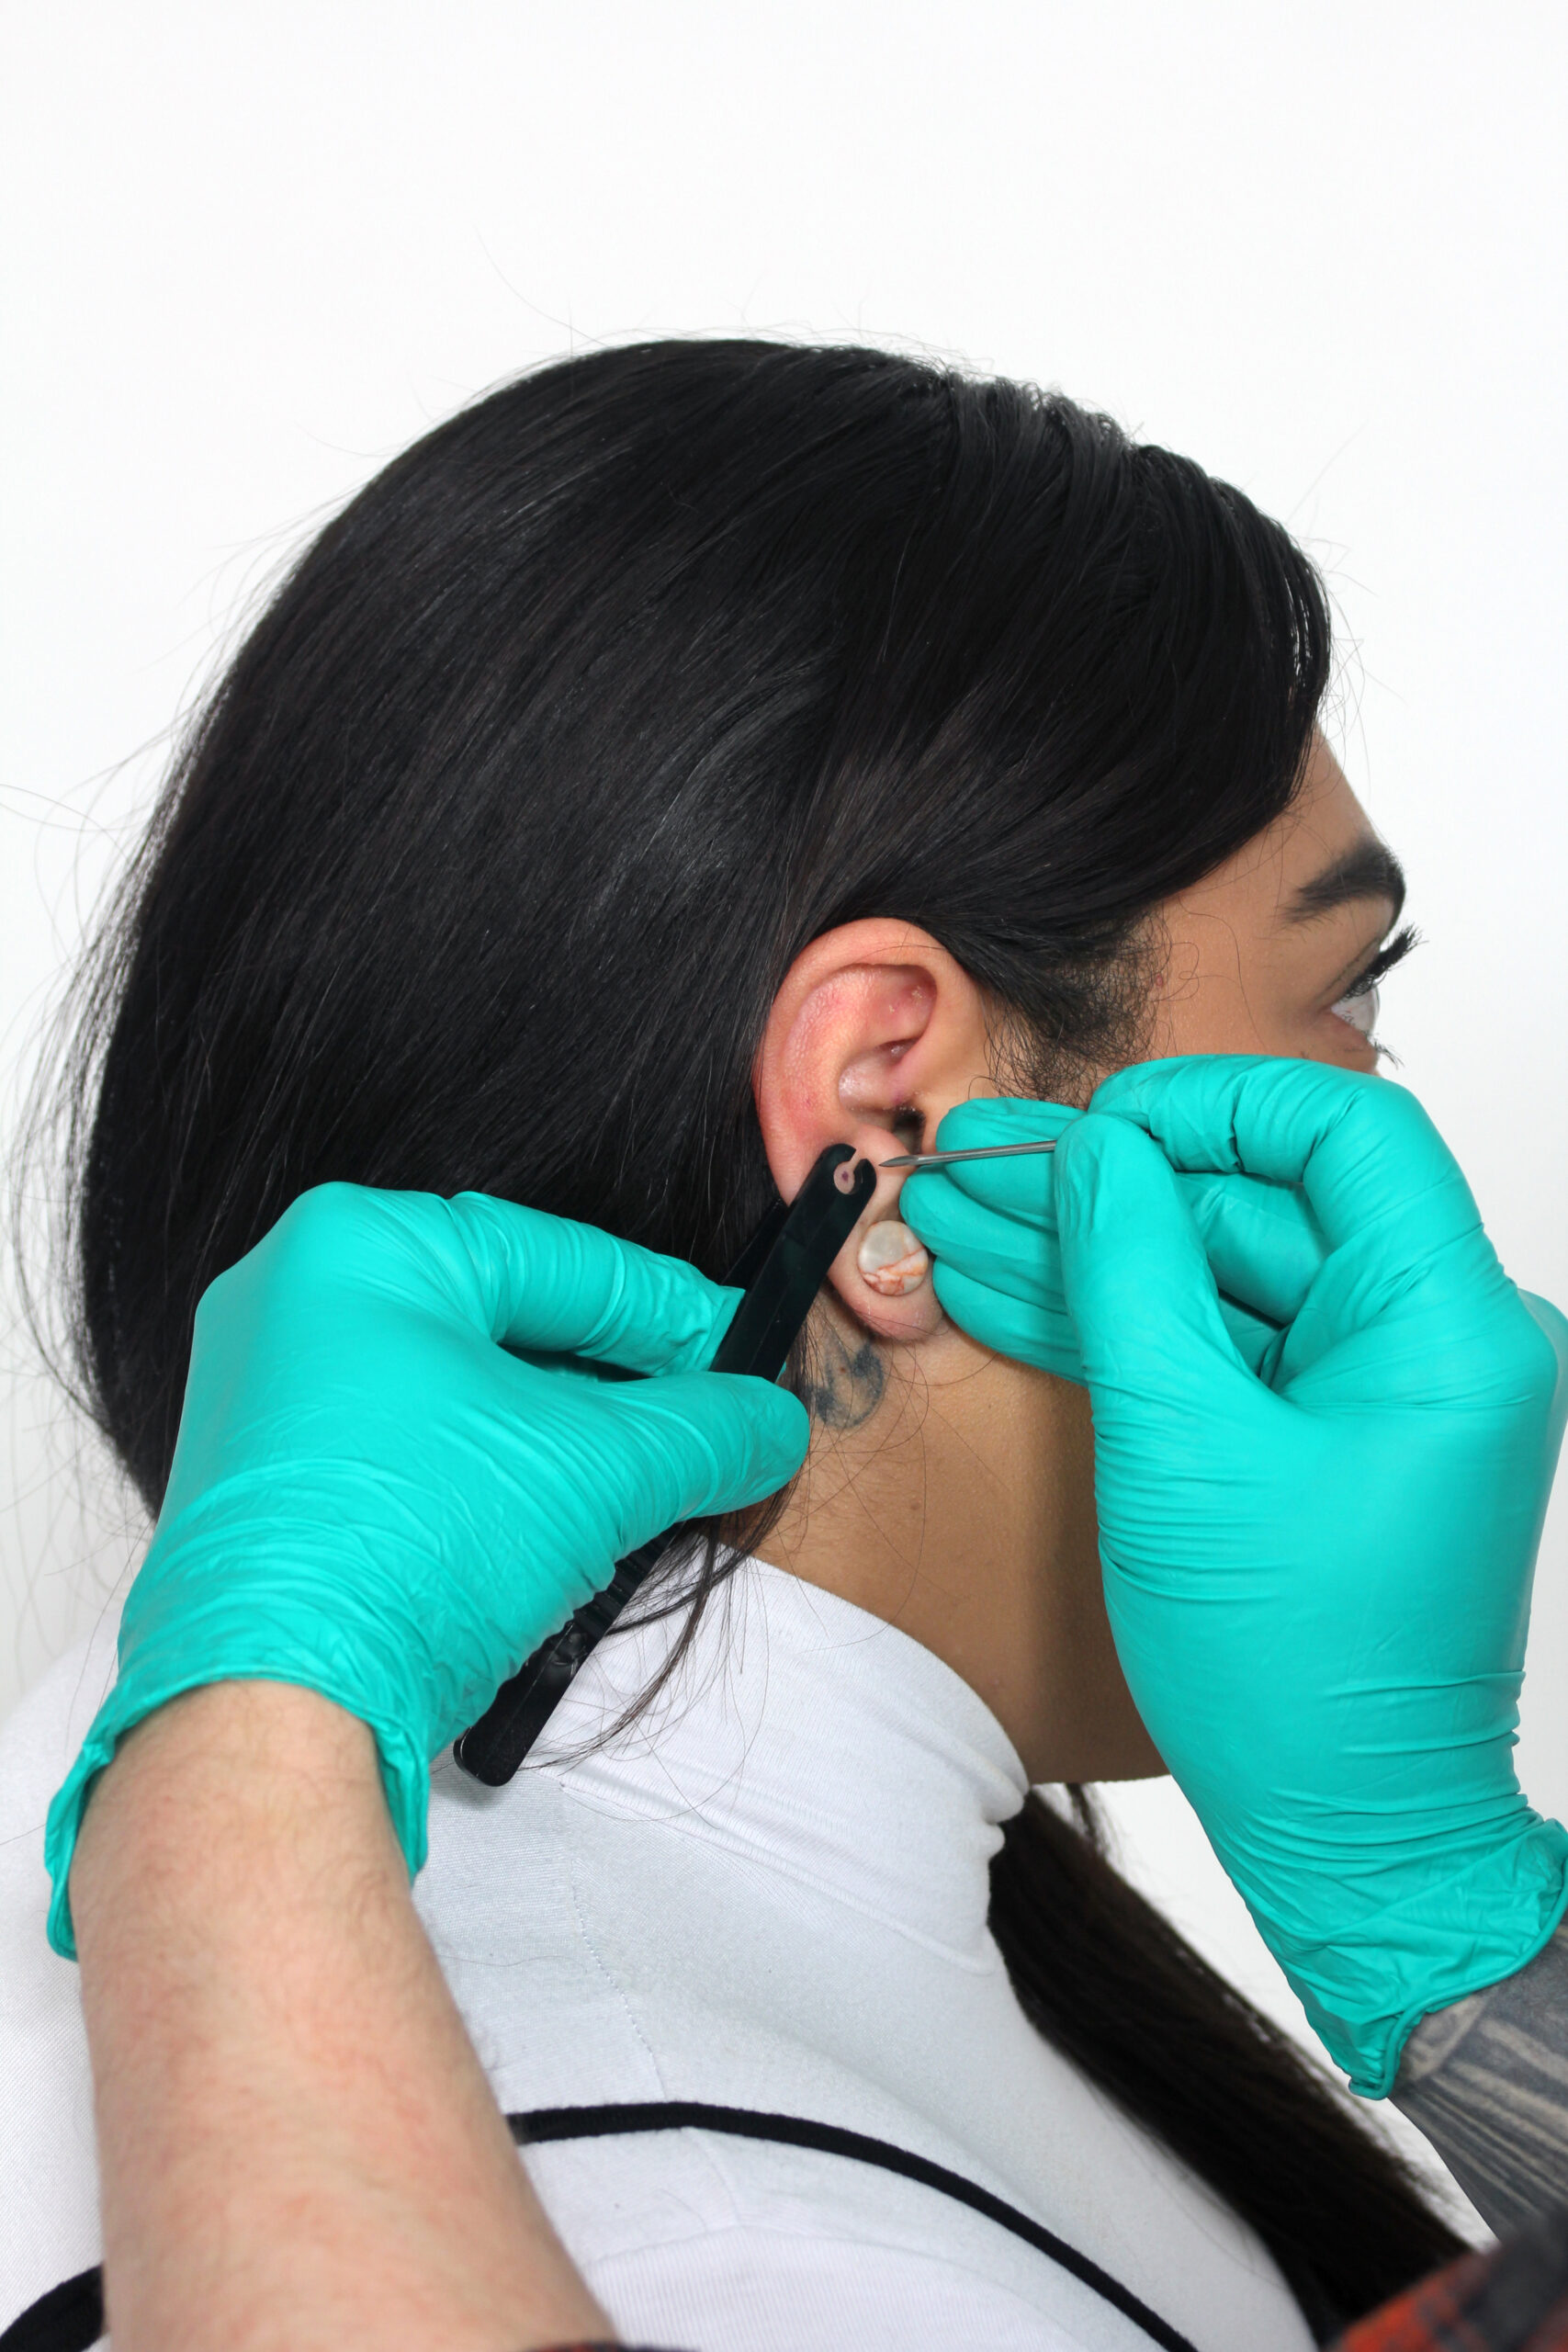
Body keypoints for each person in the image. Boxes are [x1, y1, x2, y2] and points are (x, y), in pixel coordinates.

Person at [0, 337, 1562, 2351]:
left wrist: (1465, 1942)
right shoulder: (773, 2254)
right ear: (892, 1115)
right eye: (1347, 993)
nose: (1388, 1114)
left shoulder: (145, 1740)